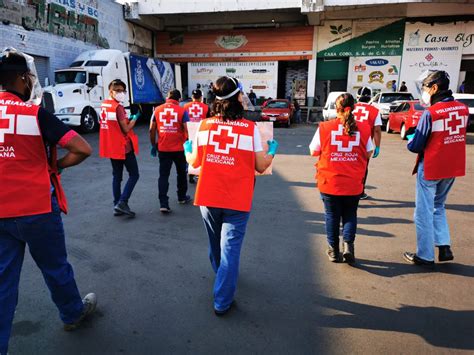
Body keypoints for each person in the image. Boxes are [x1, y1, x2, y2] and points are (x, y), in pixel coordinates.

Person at [0, 48, 97, 355]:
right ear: (20, 78)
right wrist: (56, 166)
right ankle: (71, 314)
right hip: (37, 208)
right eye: (29, 76)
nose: (31, 81)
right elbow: (82, 148)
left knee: (2, 283)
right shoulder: (34, 113)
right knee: (55, 268)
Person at [184, 76, 278, 315]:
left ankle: (222, 276)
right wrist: (272, 153)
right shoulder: (250, 129)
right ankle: (222, 301)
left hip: (208, 195)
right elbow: (259, 165)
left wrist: (187, 151)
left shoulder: (205, 126)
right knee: (231, 250)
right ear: (238, 97)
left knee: (216, 245)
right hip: (237, 198)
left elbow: (195, 162)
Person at [404, 71, 468, 267]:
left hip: (432, 167)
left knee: (423, 212)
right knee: (438, 207)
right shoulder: (462, 109)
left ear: (434, 88)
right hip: (452, 167)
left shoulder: (430, 113)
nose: (423, 92)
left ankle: (425, 255)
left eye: (424, 88)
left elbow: (416, 146)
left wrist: (410, 139)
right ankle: (444, 246)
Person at [309, 93, 373, 264]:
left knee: (332, 216)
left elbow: (313, 151)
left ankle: (333, 251)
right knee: (350, 214)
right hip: (353, 182)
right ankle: (348, 248)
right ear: (354, 108)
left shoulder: (325, 127)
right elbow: (369, 153)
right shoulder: (364, 128)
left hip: (330, 181)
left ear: (336, 109)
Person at [99, 79, 140, 217]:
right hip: (123, 147)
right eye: (118, 90)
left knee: (117, 176)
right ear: (111, 91)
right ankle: (122, 202)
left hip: (111, 146)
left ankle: (116, 204)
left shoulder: (105, 105)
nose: (121, 93)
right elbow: (126, 128)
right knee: (134, 174)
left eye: (123, 90)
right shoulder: (118, 107)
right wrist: (135, 118)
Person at [150, 89, 191, 213]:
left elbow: (151, 129)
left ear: (167, 97)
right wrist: (188, 145)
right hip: (179, 148)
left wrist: (153, 145)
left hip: (163, 148)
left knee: (163, 175)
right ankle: (182, 197)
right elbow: (187, 130)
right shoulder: (182, 110)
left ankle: (163, 203)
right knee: (181, 173)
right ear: (178, 99)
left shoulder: (156, 110)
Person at [354, 86, 382, 199]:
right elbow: (377, 130)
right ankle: (360, 192)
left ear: (357, 97)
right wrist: (378, 146)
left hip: (347, 142)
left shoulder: (350, 107)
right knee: (363, 168)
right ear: (370, 97)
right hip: (365, 145)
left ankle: (347, 190)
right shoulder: (374, 111)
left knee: (347, 164)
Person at [184, 89, 210, 184]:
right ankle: (199, 174)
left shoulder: (185, 106)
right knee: (201, 154)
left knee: (190, 152)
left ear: (192, 97)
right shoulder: (206, 107)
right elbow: (208, 120)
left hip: (189, 133)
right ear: (201, 97)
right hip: (202, 133)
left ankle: (190, 173)